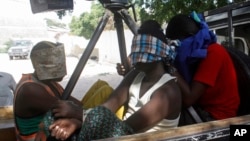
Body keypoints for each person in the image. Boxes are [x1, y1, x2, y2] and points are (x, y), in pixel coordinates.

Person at [39, 20, 182, 141]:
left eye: (141, 56)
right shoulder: (135, 74)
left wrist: (78, 117)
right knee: (55, 116)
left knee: (90, 120)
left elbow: (127, 128)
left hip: (130, 134)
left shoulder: (168, 92)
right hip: (119, 133)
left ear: (157, 58)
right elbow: (108, 107)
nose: (134, 61)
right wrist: (77, 120)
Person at [13, 41, 122, 141]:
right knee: (106, 94)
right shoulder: (31, 89)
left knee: (102, 86)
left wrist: (79, 113)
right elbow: (68, 111)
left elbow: (78, 105)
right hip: (46, 138)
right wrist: (79, 118)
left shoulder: (50, 82)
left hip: (58, 131)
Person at [165, 11, 240, 122]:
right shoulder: (196, 55)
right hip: (199, 109)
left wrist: (169, 65)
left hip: (218, 117)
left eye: (177, 44)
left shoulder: (213, 52)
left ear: (190, 37)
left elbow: (189, 99)